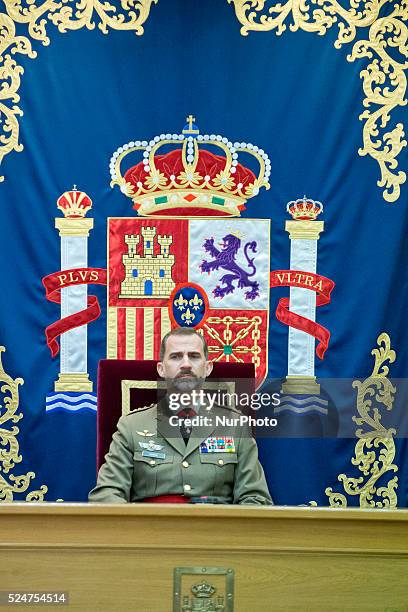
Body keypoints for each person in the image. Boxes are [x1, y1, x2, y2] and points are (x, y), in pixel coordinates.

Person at [89, 328, 272, 505]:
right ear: (161, 369)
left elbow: (255, 499)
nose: (185, 364)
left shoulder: (235, 426)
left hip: (215, 533)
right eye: (176, 356)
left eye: (194, 356)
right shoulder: (131, 425)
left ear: (208, 368)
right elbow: (106, 494)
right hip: (150, 531)